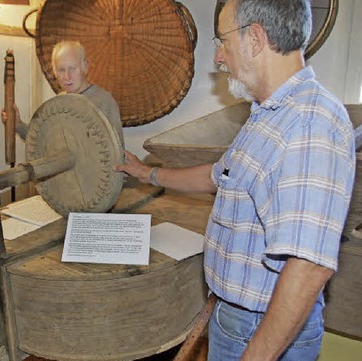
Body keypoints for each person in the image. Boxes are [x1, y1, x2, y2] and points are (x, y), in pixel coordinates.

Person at [115, 0, 356, 360]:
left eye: (223, 41)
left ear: (255, 38)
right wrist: (146, 173)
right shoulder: (268, 114)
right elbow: (217, 177)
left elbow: (308, 266)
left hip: (263, 332)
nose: (219, 58)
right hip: (237, 318)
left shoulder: (310, 124)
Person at [3, 40, 124, 144]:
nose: (67, 76)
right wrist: (18, 125)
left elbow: (116, 153)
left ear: (85, 67)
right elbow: (44, 142)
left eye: (72, 68)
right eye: (61, 70)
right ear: (54, 71)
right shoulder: (57, 104)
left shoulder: (104, 101)